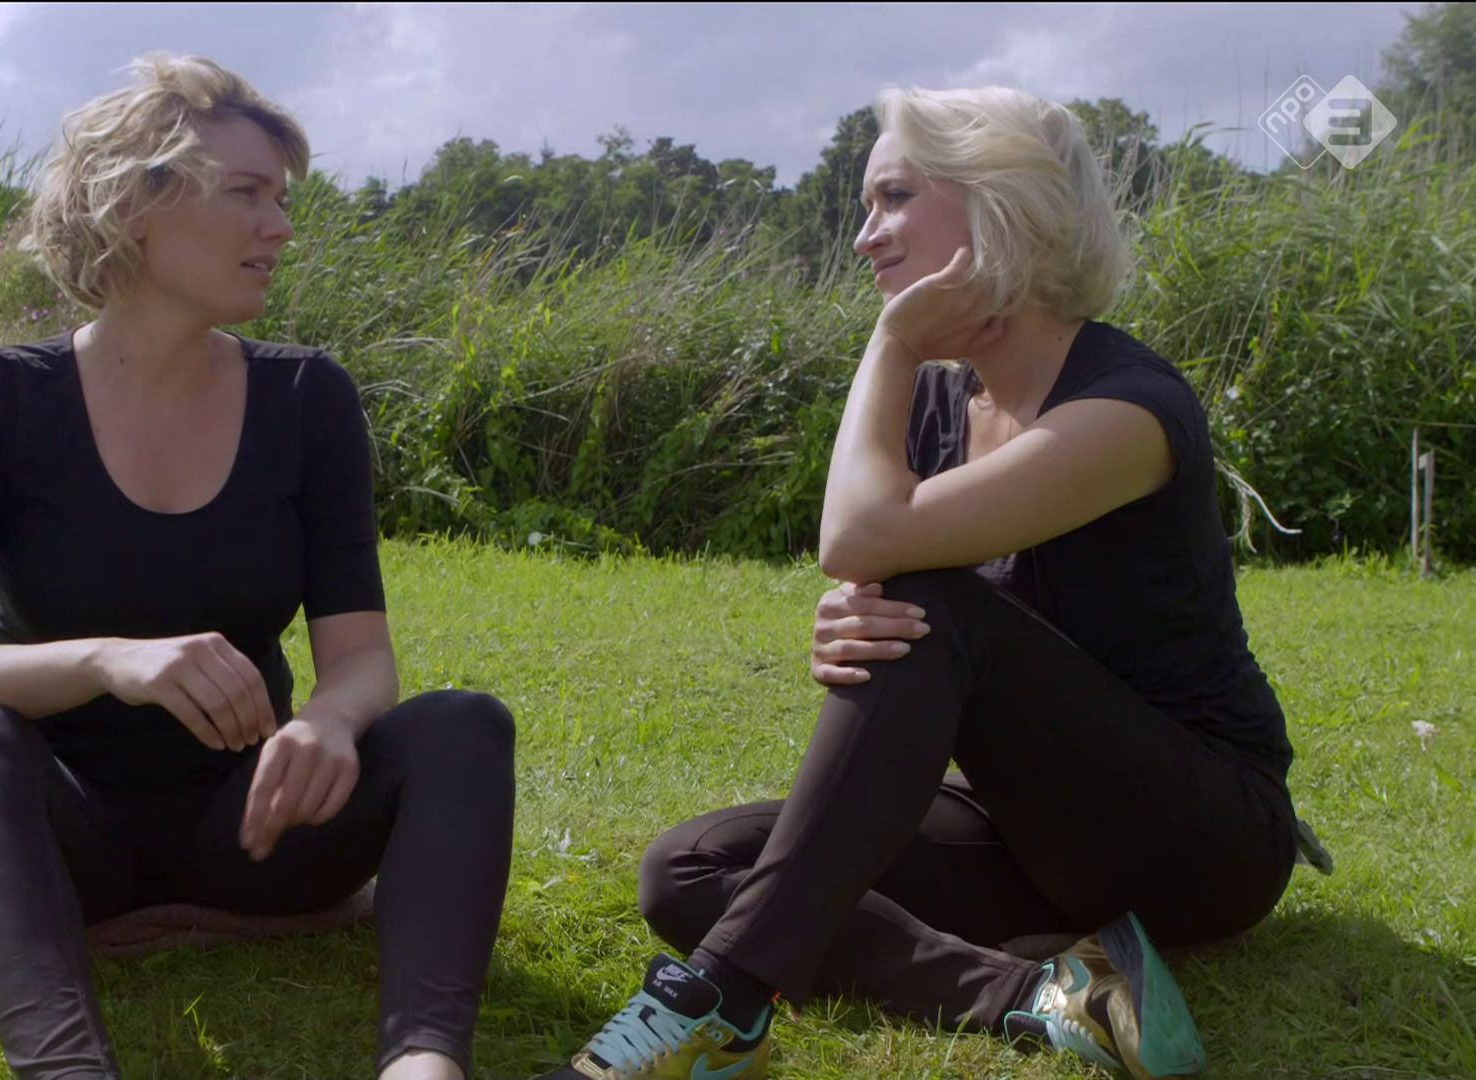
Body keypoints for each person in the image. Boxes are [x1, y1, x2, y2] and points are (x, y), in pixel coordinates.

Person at [540, 85, 1299, 1080]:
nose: (865, 237)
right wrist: (855, 618)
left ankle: (723, 1001)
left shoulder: (1128, 410)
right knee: (691, 870)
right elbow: (872, 559)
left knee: (931, 608)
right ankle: (1040, 993)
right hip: (1025, 826)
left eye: (894, 197)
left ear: (1003, 204)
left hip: (1200, 839)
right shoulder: (945, 400)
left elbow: (863, 538)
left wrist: (893, 342)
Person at [0, 54, 514, 1080]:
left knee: (463, 727)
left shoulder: (307, 399)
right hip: (64, 845)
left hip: (260, 828)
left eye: (282, 199)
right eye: (247, 194)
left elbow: (363, 658)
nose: (281, 227)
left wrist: (329, 722)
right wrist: (111, 660)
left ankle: (424, 1061)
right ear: (136, 205)